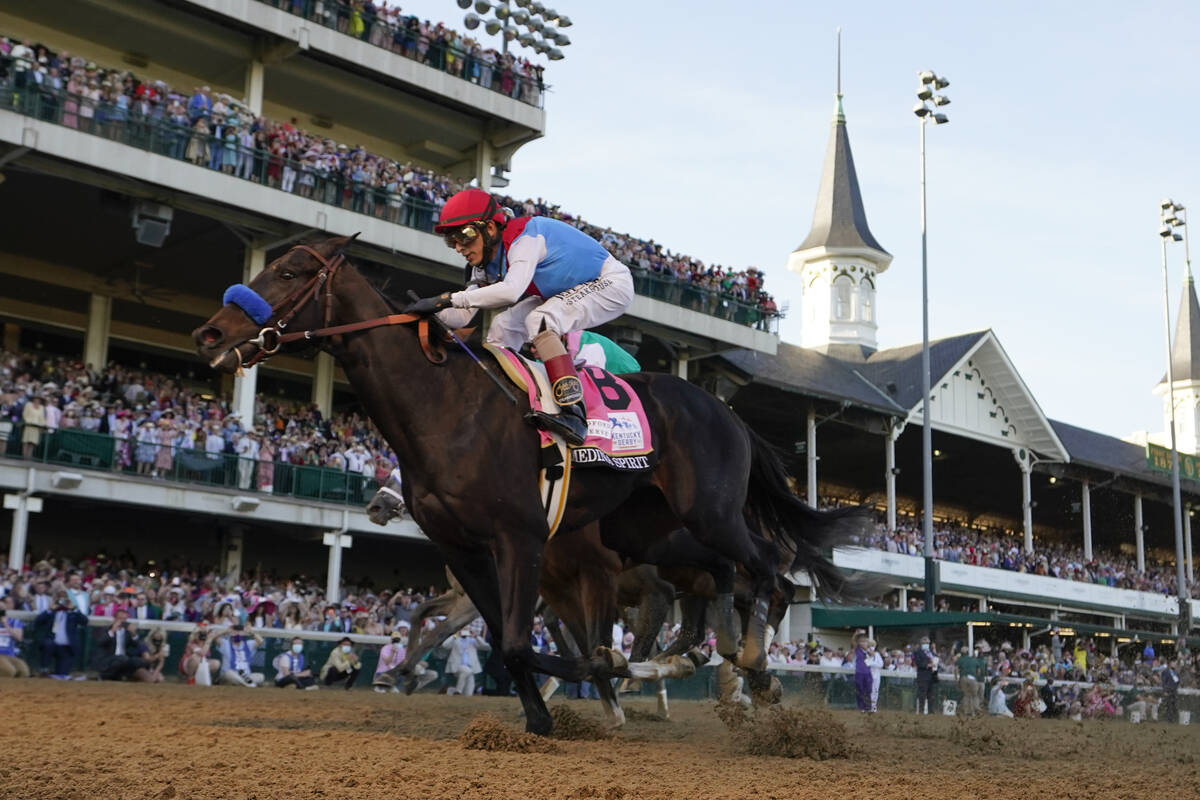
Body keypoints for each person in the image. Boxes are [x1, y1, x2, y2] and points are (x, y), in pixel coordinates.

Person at [407, 189, 635, 445]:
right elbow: (461, 316)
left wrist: (446, 299)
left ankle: (575, 413)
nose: (459, 247)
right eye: (452, 240)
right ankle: (495, 401)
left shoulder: (524, 238)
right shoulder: (485, 264)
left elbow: (511, 291)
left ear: (490, 229)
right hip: (563, 291)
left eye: (465, 235)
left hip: (609, 282)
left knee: (540, 320)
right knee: (503, 326)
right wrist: (420, 314)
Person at [95, 608, 151, 681]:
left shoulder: (128, 632)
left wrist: (133, 634)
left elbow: (138, 645)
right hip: (109, 660)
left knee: (138, 661)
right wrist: (112, 631)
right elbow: (100, 642)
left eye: (124, 619)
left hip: (125, 660)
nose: (122, 621)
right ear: (114, 619)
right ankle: (104, 676)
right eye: (120, 618)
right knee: (122, 658)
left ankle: (125, 676)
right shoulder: (105, 629)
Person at [445, 624, 488, 697]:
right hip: (457, 666)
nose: (464, 631)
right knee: (465, 670)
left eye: (466, 629)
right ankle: (458, 691)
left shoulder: (472, 640)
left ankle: (450, 690)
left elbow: (486, 646)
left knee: (468, 694)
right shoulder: (455, 639)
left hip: (471, 668)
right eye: (463, 629)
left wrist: (476, 636)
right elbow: (445, 645)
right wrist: (455, 635)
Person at [0, 597, 30, 678]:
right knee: (9, 671)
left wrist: (6, 625)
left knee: (24, 671)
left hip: (10, 654)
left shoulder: (15, 621)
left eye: (2, 608)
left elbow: (19, 638)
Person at [955, 646, 985, 717]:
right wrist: (976, 677)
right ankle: (975, 710)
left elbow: (956, 670)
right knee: (974, 695)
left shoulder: (960, 660)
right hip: (972, 678)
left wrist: (957, 680)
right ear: (968, 653)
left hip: (963, 678)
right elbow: (979, 671)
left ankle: (967, 711)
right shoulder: (973, 659)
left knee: (966, 695)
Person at [913, 636, 938, 714]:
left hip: (932, 675)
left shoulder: (931, 652)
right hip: (923, 675)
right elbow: (918, 662)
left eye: (927, 643)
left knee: (931, 694)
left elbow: (936, 659)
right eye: (924, 643)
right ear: (921, 644)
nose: (926, 644)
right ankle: (921, 710)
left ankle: (931, 711)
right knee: (922, 694)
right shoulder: (918, 652)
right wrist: (928, 665)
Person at [853, 633, 872, 712]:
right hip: (859, 672)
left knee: (868, 690)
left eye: (865, 641)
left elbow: (873, 654)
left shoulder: (869, 650)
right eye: (861, 641)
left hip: (868, 673)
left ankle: (868, 707)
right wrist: (856, 634)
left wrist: (867, 649)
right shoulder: (857, 649)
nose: (863, 643)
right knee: (860, 689)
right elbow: (853, 641)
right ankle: (861, 707)